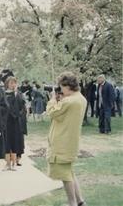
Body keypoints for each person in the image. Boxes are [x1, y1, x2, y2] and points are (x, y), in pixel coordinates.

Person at [46, 71, 87, 206]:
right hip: (71, 141)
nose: (61, 90)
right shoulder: (81, 98)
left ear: (67, 86)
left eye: (61, 87)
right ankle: (80, 201)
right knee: (69, 172)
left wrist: (52, 99)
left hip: (62, 141)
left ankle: (72, 203)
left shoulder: (69, 101)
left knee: (65, 176)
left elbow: (52, 113)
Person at [4, 76, 27, 170]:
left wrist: (19, 116)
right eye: (11, 83)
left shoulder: (19, 94)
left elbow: (23, 106)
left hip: (16, 121)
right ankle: (7, 163)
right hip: (6, 121)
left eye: (14, 83)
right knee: (7, 142)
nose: (13, 85)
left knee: (15, 141)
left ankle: (14, 162)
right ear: (7, 84)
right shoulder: (4, 94)